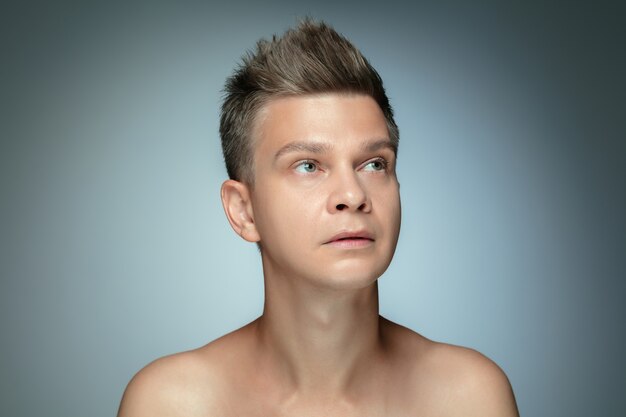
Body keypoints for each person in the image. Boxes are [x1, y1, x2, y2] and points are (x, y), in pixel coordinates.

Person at [117, 19, 519, 416]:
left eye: (374, 164)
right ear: (243, 210)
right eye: (308, 166)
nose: (352, 195)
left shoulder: (468, 399)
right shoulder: (173, 404)